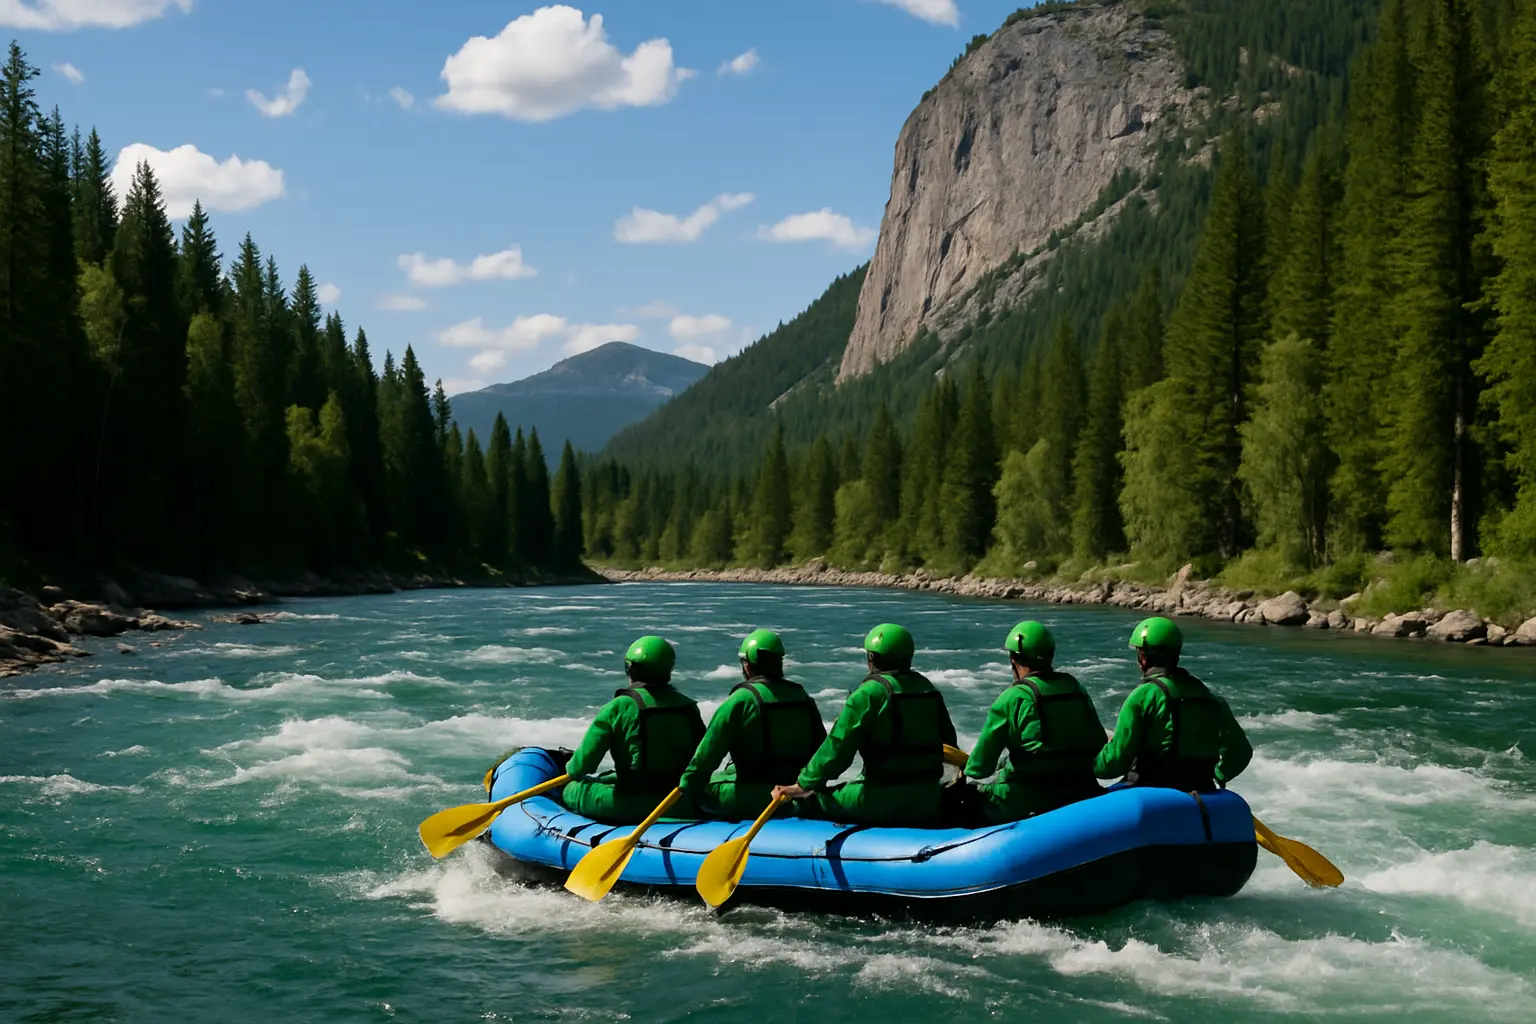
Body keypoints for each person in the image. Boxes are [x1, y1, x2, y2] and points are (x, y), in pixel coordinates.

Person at [772, 623, 957, 827]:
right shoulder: (928, 690)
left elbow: (837, 749)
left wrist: (802, 785)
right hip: (929, 797)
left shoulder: (868, 694)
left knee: (807, 802)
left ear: (871, 658)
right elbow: (950, 745)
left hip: (880, 800)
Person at [959, 620, 1106, 823]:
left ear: (1013, 659)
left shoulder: (1013, 697)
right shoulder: (1075, 687)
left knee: (963, 798)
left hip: (1028, 797)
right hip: (1082, 788)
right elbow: (1099, 740)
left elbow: (980, 768)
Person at [678, 629, 827, 820]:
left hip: (755, 796)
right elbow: (822, 750)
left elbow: (705, 759)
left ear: (748, 665)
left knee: (704, 788)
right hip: (795, 793)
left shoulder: (742, 699)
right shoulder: (802, 696)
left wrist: (685, 791)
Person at [559, 635, 706, 823]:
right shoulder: (689, 707)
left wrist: (569, 771)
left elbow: (581, 767)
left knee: (573, 789)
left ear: (630, 669)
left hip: (632, 803)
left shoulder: (618, 707)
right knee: (608, 777)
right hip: (679, 801)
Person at [1095, 617, 1253, 791]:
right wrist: (1219, 774)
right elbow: (1241, 752)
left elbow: (1114, 763)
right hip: (1202, 787)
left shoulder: (1142, 696)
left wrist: (1090, 766)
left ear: (1143, 657)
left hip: (1152, 791)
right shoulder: (1210, 697)